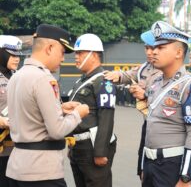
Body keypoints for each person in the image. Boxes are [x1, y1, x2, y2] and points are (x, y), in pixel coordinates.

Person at [6, 24, 89, 187]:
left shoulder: (17, 76)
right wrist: (78, 113)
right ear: (50, 48)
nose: (63, 59)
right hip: (41, 172)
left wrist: (61, 108)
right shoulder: (44, 79)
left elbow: (28, 113)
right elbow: (57, 130)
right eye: (62, 52)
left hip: (17, 168)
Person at [135, 21, 191, 187]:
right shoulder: (155, 83)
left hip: (172, 166)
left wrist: (185, 177)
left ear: (179, 52)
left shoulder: (190, 85)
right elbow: (150, 126)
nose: (154, 52)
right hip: (151, 164)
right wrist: (143, 165)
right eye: (153, 47)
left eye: (161, 48)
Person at [104, 30, 162, 181]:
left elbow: (168, 98)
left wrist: (145, 95)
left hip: (165, 127)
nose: (149, 52)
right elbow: (128, 75)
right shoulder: (145, 67)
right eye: (146, 48)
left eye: (153, 48)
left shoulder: (168, 70)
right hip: (148, 124)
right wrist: (117, 76)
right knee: (144, 167)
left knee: (162, 169)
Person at [68, 33, 117, 187]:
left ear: (94, 55)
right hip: (78, 146)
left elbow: (106, 117)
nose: (76, 57)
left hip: (92, 146)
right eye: (76, 53)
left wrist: (100, 152)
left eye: (80, 53)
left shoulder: (103, 81)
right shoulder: (81, 80)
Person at [0, 35, 23, 187]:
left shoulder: (19, 77)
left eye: (18, 55)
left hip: (18, 149)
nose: (17, 59)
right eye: (12, 54)